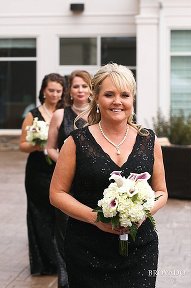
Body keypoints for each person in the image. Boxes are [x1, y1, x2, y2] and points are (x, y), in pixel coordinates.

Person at [49, 63, 168, 286]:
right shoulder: (76, 142)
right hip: (87, 250)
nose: (117, 101)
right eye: (109, 94)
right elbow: (57, 194)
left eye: (125, 95)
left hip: (140, 249)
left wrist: (142, 212)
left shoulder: (149, 140)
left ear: (133, 99)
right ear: (96, 98)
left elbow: (161, 191)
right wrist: (96, 219)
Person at [46, 70, 92, 288]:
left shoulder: (98, 114)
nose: (80, 90)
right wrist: (67, 164)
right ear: (69, 90)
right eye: (76, 86)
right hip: (66, 185)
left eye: (84, 86)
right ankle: (65, 282)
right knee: (64, 234)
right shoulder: (59, 115)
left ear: (91, 89)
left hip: (91, 183)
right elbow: (50, 148)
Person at [19, 73, 65, 277]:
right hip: (37, 171)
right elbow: (22, 145)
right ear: (43, 91)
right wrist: (37, 144)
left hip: (60, 168)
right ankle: (44, 263)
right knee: (39, 215)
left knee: (59, 215)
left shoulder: (65, 113)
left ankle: (61, 260)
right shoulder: (33, 114)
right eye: (51, 90)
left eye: (58, 91)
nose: (54, 94)